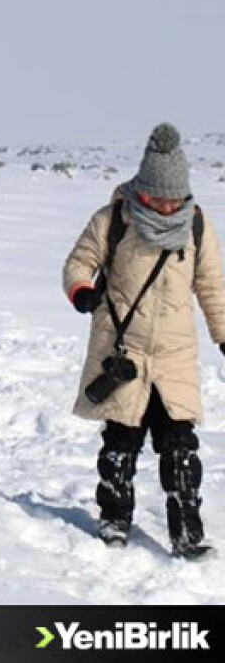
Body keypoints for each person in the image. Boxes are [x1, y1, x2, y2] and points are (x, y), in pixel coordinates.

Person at [63, 122, 222, 560]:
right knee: (120, 446)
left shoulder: (197, 226)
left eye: (175, 200)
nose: (167, 207)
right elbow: (78, 262)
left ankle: (187, 532)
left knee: (180, 452)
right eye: (159, 199)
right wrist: (83, 291)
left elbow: (213, 287)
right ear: (143, 189)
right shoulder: (113, 219)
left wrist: (224, 336)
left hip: (173, 358)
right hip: (123, 354)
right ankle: (115, 518)